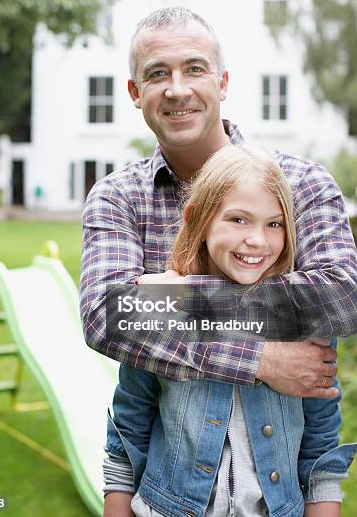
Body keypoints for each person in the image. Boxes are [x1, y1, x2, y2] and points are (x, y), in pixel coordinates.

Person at [80, 6, 357, 397]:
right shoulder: (118, 197)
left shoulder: (302, 182)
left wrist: (171, 297)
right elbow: (104, 317)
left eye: (195, 69)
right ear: (135, 93)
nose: (177, 89)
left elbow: (341, 297)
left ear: (222, 83)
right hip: (171, 453)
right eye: (158, 73)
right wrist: (259, 360)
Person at [103, 145, 356, 517]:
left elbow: (320, 448)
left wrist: (180, 298)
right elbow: (129, 429)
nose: (257, 239)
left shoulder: (307, 323)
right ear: (199, 220)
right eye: (239, 219)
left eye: (274, 223)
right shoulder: (159, 312)